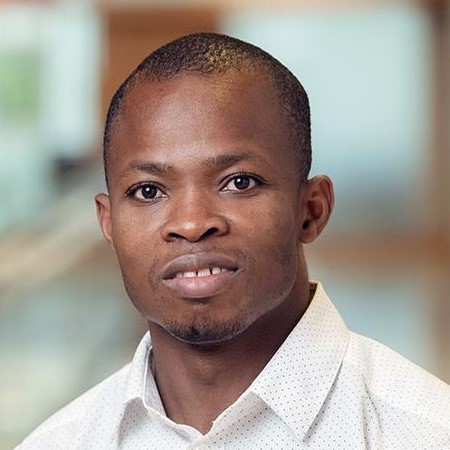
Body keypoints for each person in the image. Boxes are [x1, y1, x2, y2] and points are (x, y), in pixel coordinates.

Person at [18, 32, 450, 449]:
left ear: (311, 210)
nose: (191, 224)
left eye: (239, 182)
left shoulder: (427, 433)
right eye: (148, 191)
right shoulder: (59, 443)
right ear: (109, 225)